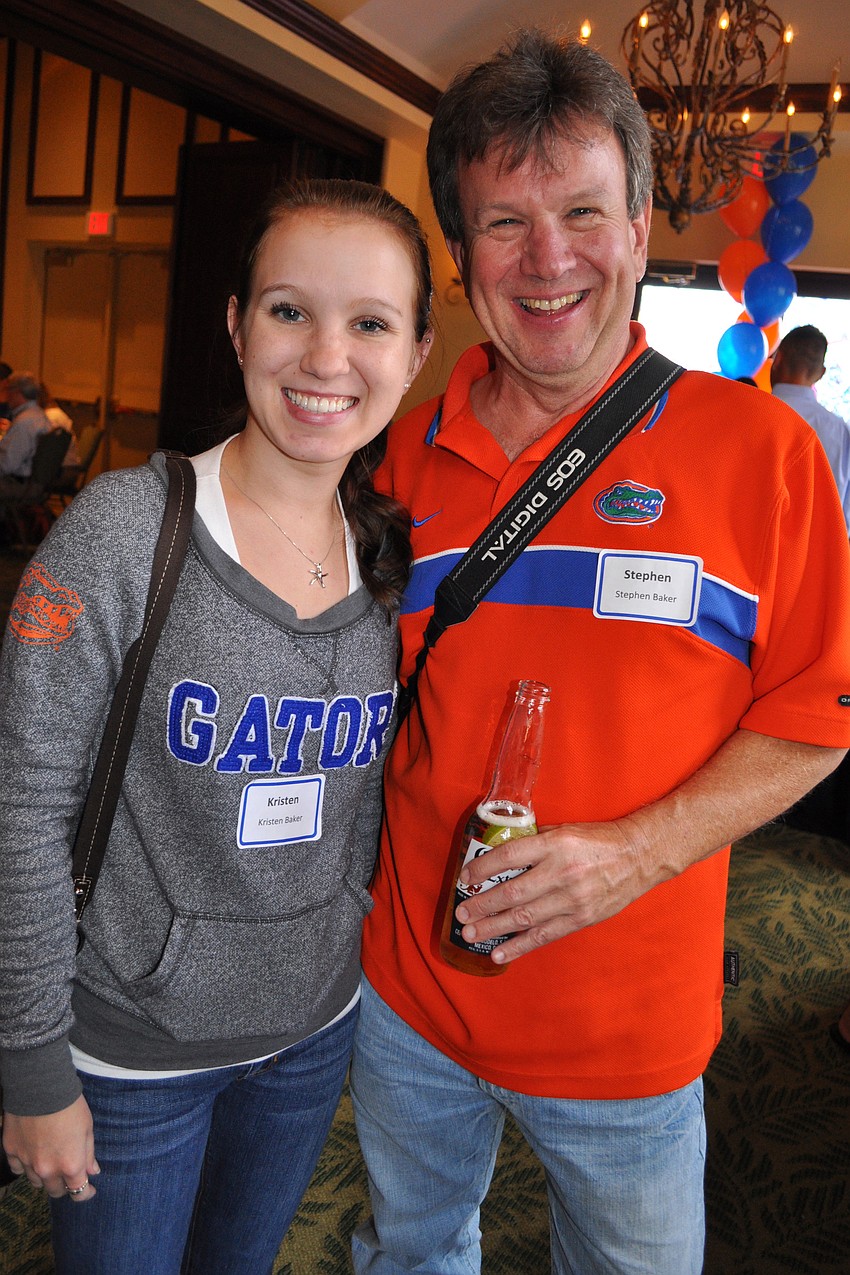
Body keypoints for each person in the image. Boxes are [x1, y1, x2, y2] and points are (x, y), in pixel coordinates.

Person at [349, 31, 850, 1275]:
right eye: (503, 223)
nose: (549, 258)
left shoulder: (764, 455)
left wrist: (636, 854)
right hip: (405, 1001)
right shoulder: (397, 455)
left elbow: (818, 715)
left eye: (582, 212)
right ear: (460, 256)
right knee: (409, 1253)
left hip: (627, 1039)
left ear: (635, 228)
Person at [0, 177, 432, 1275]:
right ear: (237, 325)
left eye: (370, 323)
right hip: (132, 1051)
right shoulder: (123, 532)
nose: (327, 357)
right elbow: (21, 810)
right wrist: (32, 1064)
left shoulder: (392, 558)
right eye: (290, 310)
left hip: (311, 1036)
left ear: (415, 354)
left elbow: (361, 805)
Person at [771, 324, 850, 533]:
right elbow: (845, 514)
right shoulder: (839, 430)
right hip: (820, 544)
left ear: (778, 359)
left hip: (755, 546)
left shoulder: (754, 414)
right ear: (821, 374)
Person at [0, 371, 52, 496]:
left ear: (17, 393)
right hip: (34, 484)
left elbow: (6, 465)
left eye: (8, 390)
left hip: (17, 484)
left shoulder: (24, 422)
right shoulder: (39, 415)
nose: (5, 395)